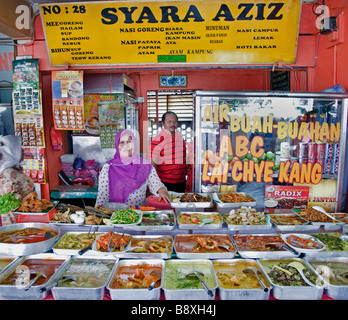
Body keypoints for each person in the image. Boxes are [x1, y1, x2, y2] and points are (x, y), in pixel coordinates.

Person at [96, 129, 170, 208]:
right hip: (116, 216)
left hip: (138, 214)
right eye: (122, 142)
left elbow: (156, 184)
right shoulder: (109, 167)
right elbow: (102, 196)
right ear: (117, 146)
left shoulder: (145, 165)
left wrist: (162, 190)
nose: (126, 145)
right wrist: (98, 212)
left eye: (129, 141)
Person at [150, 111, 188, 193]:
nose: (172, 124)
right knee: (165, 206)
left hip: (181, 182)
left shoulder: (180, 137)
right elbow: (152, 165)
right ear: (163, 123)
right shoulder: (157, 140)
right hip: (165, 183)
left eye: (175, 121)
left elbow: (184, 158)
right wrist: (157, 185)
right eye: (169, 121)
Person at [0, 135, 35, 200]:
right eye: (20, 149)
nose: (23, 151)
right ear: (14, 151)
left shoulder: (7, 170)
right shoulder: (11, 174)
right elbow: (13, 201)